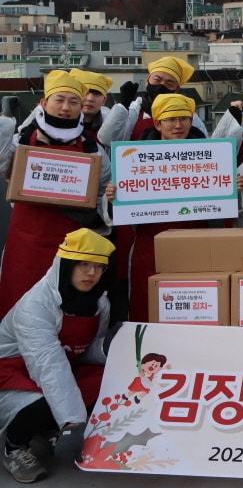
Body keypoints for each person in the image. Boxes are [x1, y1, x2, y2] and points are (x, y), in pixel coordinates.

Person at [0, 229, 113, 484]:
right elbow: (47, 365)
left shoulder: (99, 303)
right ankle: (14, 447)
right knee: (43, 403)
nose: (91, 274)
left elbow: (84, 350)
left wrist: (110, 347)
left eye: (98, 267)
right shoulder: (35, 306)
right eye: (83, 265)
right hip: (11, 371)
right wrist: (72, 417)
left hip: (62, 366)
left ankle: (46, 430)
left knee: (110, 380)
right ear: (65, 265)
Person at [0, 72, 110, 317]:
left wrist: (105, 201)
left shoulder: (93, 149)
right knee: (19, 301)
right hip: (28, 239)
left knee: (67, 306)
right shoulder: (22, 141)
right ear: (43, 103)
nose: (65, 107)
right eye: (59, 100)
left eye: (73, 102)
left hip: (75, 243)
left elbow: (105, 190)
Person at [102, 94, 207, 323]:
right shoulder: (134, 158)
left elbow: (225, 212)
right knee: (146, 305)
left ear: (192, 121)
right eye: (170, 119)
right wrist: (113, 197)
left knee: (198, 306)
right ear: (158, 123)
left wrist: (233, 189)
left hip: (197, 244)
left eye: (183, 119)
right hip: (149, 245)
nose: (178, 125)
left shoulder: (211, 156)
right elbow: (117, 217)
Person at [98, 56, 206, 146]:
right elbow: (106, 139)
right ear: (147, 81)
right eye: (157, 80)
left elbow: (205, 144)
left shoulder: (188, 115)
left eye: (169, 83)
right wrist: (123, 106)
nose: (161, 85)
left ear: (177, 89)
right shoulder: (132, 111)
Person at [68, 69, 112, 144]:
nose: (90, 99)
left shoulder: (112, 128)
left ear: (104, 100)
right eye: (85, 92)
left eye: (96, 93)